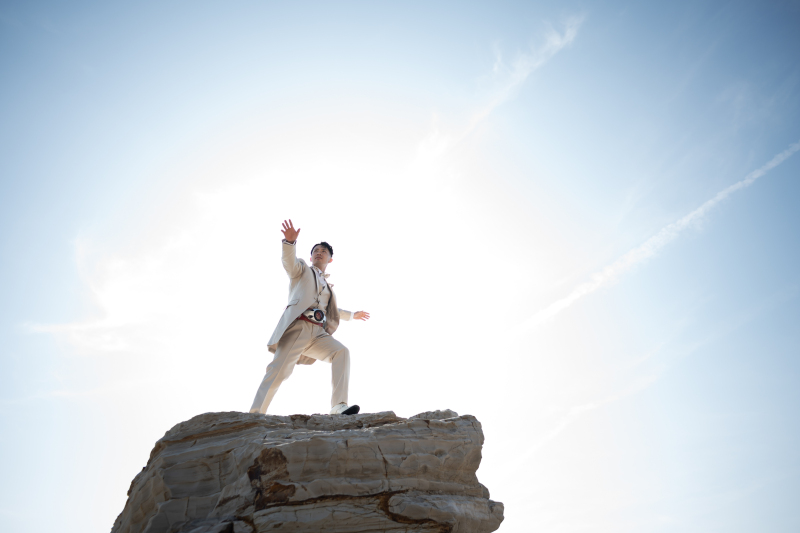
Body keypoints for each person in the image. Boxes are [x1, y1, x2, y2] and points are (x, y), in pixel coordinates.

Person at [249, 219, 370, 415]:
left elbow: (332, 312)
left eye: (324, 251)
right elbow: (289, 263)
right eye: (316, 250)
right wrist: (289, 244)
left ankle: (338, 406)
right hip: (298, 327)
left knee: (342, 352)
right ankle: (255, 414)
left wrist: (352, 316)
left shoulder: (328, 287)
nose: (319, 252)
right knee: (278, 372)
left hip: (318, 333)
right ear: (311, 256)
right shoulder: (302, 270)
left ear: (330, 259)